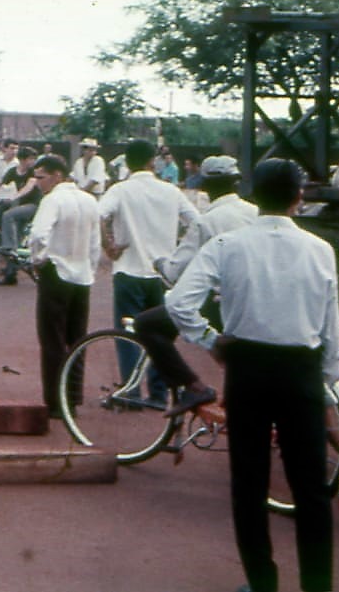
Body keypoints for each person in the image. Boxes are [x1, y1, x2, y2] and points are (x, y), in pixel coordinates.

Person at [165, 159, 339, 592]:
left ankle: (263, 583)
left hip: (246, 369)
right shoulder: (320, 250)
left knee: (249, 483)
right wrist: (328, 389)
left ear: (253, 196)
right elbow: (330, 330)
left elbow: (178, 302)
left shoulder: (227, 244)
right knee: (311, 489)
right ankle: (317, 586)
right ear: (300, 197)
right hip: (301, 371)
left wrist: (210, 340)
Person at [133, 155, 259, 418]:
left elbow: (175, 271)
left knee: (147, 324)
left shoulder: (206, 222)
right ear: (236, 183)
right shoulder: (254, 213)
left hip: (223, 304)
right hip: (256, 301)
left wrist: (159, 262)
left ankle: (194, 386)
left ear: (205, 187)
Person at [97, 138, 199, 405]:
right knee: (160, 335)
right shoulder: (171, 191)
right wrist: (180, 252)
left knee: (127, 333)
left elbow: (99, 215)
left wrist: (108, 245)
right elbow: (198, 223)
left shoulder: (120, 190)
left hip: (129, 269)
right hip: (162, 273)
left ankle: (131, 390)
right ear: (152, 161)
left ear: (127, 163)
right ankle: (158, 391)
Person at [27, 154, 100, 418]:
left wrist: (38, 260)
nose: (37, 183)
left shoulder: (53, 199)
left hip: (56, 272)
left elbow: (38, 234)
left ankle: (56, 402)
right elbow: (95, 242)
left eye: (41, 177)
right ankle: (73, 397)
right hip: (82, 275)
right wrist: (90, 268)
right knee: (77, 338)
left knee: (52, 339)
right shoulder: (90, 200)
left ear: (58, 175)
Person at [0, 146, 42, 285]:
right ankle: (10, 275)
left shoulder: (33, 172)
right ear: (23, 160)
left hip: (34, 206)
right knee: (15, 237)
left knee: (8, 215)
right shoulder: (13, 171)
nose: (33, 161)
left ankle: (8, 248)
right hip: (21, 208)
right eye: (31, 158)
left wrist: (15, 197)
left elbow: (29, 187)